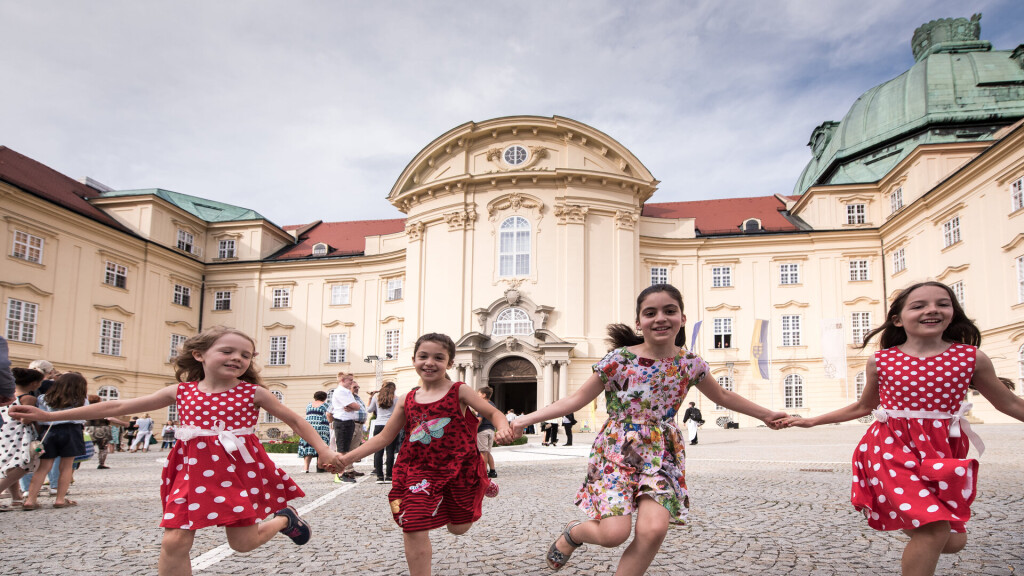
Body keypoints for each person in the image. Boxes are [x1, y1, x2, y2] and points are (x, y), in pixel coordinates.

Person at [496, 284, 787, 574]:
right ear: (639, 322)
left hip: (663, 455)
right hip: (616, 452)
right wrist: (522, 421)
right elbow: (575, 399)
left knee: (654, 529)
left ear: (682, 318)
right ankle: (574, 533)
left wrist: (766, 415)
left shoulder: (690, 364)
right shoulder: (618, 360)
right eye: (651, 313)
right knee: (613, 535)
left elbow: (723, 396)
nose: (660, 318)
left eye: (669, 311)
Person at [11, 325, 342, 576]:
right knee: (174, 542)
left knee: (242, 544)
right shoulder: (180, 391)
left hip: (236, 471)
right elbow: (121, 403)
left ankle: (285, 520)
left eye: (245, 355)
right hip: (191, 471)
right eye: (227, 351)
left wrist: (324, 451)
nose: (237, 358)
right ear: (200, 355)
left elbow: (297, 421)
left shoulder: (253, 393)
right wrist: (48, 415)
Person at [780, 281, 1024, 576]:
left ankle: (912, 520)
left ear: (953, 313)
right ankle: (918, 522)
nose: (932, 309)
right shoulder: (882, 361)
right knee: (934, 530)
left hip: (941, 453)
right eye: (919, 305)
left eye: (942, 304)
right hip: (889, 449)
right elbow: (862, 407)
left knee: (953, 541)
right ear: (898, 319)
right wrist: (811, 420)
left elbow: (1009, 404)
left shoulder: (971, 359)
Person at [337, 333, 508, 576]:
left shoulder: (459, 391)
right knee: (413, 524)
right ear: (414, 359)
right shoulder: (407, 399)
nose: (429, 362)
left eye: (439, 357)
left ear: (449, 363)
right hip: (419, 470)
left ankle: (481, 483)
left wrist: (502, 428)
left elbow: (494, 414)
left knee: (458, 528)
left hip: (460, 467)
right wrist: (347, 458)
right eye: (423, 356)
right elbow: (384, 437)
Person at [19, 372, 89, 510]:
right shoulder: (81, 400)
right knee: (66, 467)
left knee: (43, 467)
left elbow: (39, 417)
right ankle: (60, 499)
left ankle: (30, 500)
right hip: (72, 431)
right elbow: (84, 416)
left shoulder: (44, 398)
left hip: (49, 431)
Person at [0, 367, 43, 510]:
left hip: (4, 433)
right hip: (19, 434)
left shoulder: (6, 396)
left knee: (9, 464)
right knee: (23, 465)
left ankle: (16, 498)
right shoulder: (28, 398)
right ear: (34, 383)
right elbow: (26, 419)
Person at [325, 372, 360, 483]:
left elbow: (355, 406)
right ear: (343, 380)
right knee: (341, 450)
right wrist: (353, 406)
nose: (352, 382)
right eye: (350, 380)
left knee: (345, 449)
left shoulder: (346, 392)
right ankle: (339, 474)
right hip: (342, 422)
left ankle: (343, 472)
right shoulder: (340, 391)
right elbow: (356, 406)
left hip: (348, 422)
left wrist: (353, 407)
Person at [367, 381, 400, 483]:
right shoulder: (396, 398)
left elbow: (369, 410)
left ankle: (379, 476)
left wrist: (370, 398)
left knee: (378, 451)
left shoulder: (376, 398)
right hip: (391, 425)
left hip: (379, 424)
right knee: (390, 452)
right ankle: (389, 475)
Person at [85, 394, 127, 469]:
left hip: (88, 429)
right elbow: (110, 418)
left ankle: (76, 462)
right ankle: (101, 464)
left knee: (84, 446)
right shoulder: (102, 409)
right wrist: (123, 423)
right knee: (103, 448)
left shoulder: (86, 408)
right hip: (102, 429)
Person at [297, 391, 330, 473]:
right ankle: (320, 467)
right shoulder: (325, 405)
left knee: (308, 446)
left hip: (308, 427)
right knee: (321, 446)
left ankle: (306, 468)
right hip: (321, 427)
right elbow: (328, 415)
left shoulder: (309, 405)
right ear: (325, 398)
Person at [475, 386, 498, 478]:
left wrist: (474, 429)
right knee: (487, 452)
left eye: (479, 394)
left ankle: (483, 472)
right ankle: (492, 471)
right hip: (491, 429)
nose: (477, 395)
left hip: (483, 430)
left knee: (483, 452)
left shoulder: (482, 404)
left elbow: (479, 419)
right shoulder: (492, 404)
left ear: (484, 395)